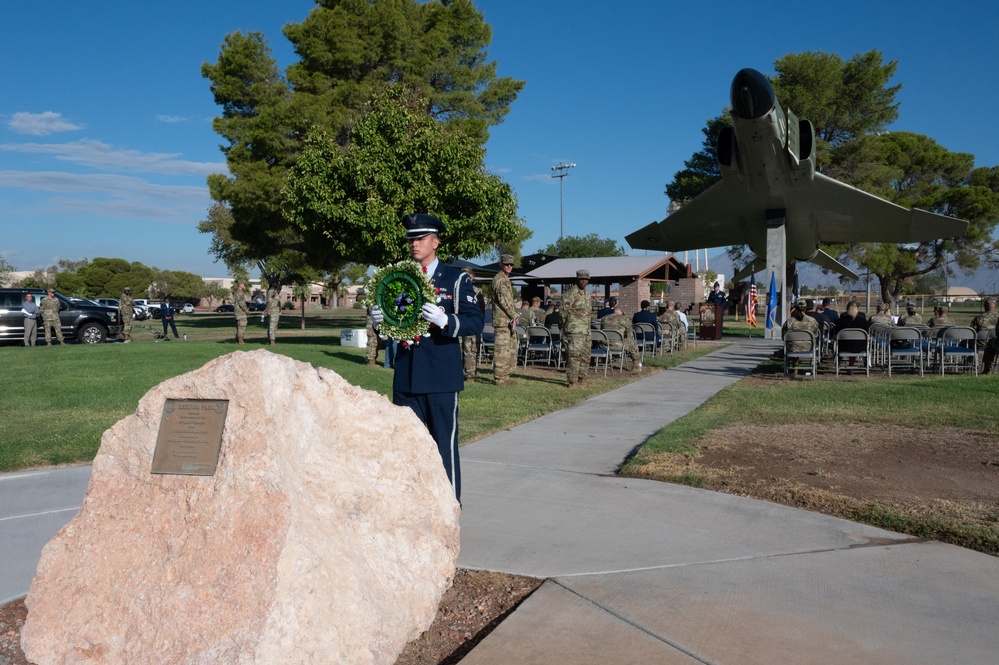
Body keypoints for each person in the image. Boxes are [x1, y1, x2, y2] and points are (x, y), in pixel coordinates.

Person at [371, 213, 483, 502]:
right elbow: (393, 327)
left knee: (443, 448)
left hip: (440, 378)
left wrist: (446, 320)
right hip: (406, 377)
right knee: (407, 447)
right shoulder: (400, 278)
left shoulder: (455, 278)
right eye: (410, 238)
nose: (414, 244)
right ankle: (413, 510)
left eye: (420, 238)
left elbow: (474, 322)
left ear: (435, 241)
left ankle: (450, 509)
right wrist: (379, 321)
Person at [561, 269, 592, 387]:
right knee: (574, 356)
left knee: (585, 356)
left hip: (586, 330)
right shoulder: (570, 293)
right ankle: (572, 381)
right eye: (581, 279)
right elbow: (563, 313)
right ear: (577, 279)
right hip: (574, 330)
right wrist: (564, 327)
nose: (584, 281)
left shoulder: (587, 294)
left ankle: (581, 378)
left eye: (586, 279)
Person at [491, 253, 518, 386]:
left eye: (511, 264)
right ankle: (500, 378)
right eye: (506, 264)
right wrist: (513, 315)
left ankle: (505, 376)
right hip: (502, 321)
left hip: (506, 321)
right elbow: (503, 301)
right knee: (502, 350)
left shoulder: (505, 279)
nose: (509, 266)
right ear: (500, 264)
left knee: (509, 349)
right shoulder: (500, 279)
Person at [600, 307, 641, 372]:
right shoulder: (624, 319)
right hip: (617, 344)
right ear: (621, 312)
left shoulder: (604, 318)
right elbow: (629, 335)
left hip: (603, 344)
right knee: (632, 342)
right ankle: (636, 364)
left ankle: (602, 361)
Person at [461, 267, 485, 381]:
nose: (467, 276)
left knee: (470, 349)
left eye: (468, 274)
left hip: (471, 323)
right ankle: (457, 372)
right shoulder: (456, 288)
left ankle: (470, 374)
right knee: (458, 349)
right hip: (459, 322)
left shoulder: (477, 291)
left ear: (472, 276)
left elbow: (481, 310)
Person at [234, 280, 249, 344]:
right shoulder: (240, 292)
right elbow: (241, 303)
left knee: (239, 326)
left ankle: (238, 340)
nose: (245, 286)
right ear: (240, 284)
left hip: (238, 312)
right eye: (244, 284)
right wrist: (246, 310)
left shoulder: (238, 292)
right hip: (240, 312)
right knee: (242, 326)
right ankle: (240, 340)